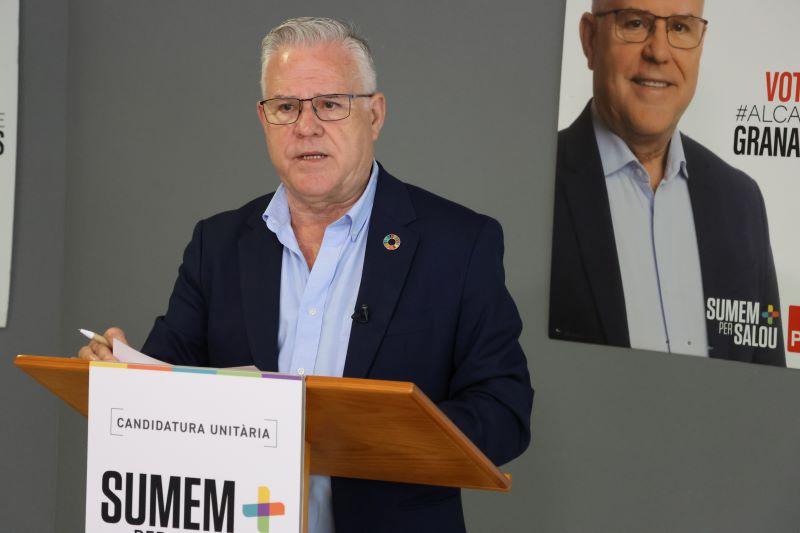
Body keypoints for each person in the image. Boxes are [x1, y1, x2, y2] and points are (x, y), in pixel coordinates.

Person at [79, 17, 533, 532]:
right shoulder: (218, 244)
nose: (306, 126)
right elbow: (170, 380)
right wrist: (123, 375)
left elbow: (504, 410)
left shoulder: (458, 244)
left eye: (330, 104)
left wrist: (377, 434)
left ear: (374, 115)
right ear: (264, 118)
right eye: (286, 107)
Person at [549, 0, 785, 366]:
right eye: (635, 23)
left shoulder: (742, 202)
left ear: (700, 44)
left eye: (679, 27)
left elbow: (766, 385)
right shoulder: (536, 182)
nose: (658, 52)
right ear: (590, 39)